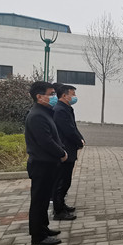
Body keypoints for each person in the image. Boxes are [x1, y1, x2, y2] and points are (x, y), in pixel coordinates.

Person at [24, 81, 67, 245]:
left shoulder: (44, 112)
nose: (54, 97)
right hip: (41, 165)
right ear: (39, 96)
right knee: (39, 201)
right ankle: (38, 236)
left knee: (43, 201)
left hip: (47, 164)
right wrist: (61, 153)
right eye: (51, 94)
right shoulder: (37, 116)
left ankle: (43, 228)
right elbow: (46, 141)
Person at [52, 84, 84, 221]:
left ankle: (62, 205)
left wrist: (81, 138)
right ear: (65, 95)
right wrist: (78, 141)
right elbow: (68, 130)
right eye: (73, 94)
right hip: (65, 149)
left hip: (69, 148)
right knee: (61, 181)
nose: (74, 97)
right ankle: (58, 211)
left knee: (66, 180)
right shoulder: (59, 110)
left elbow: (73, 127)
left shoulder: (66, 108)